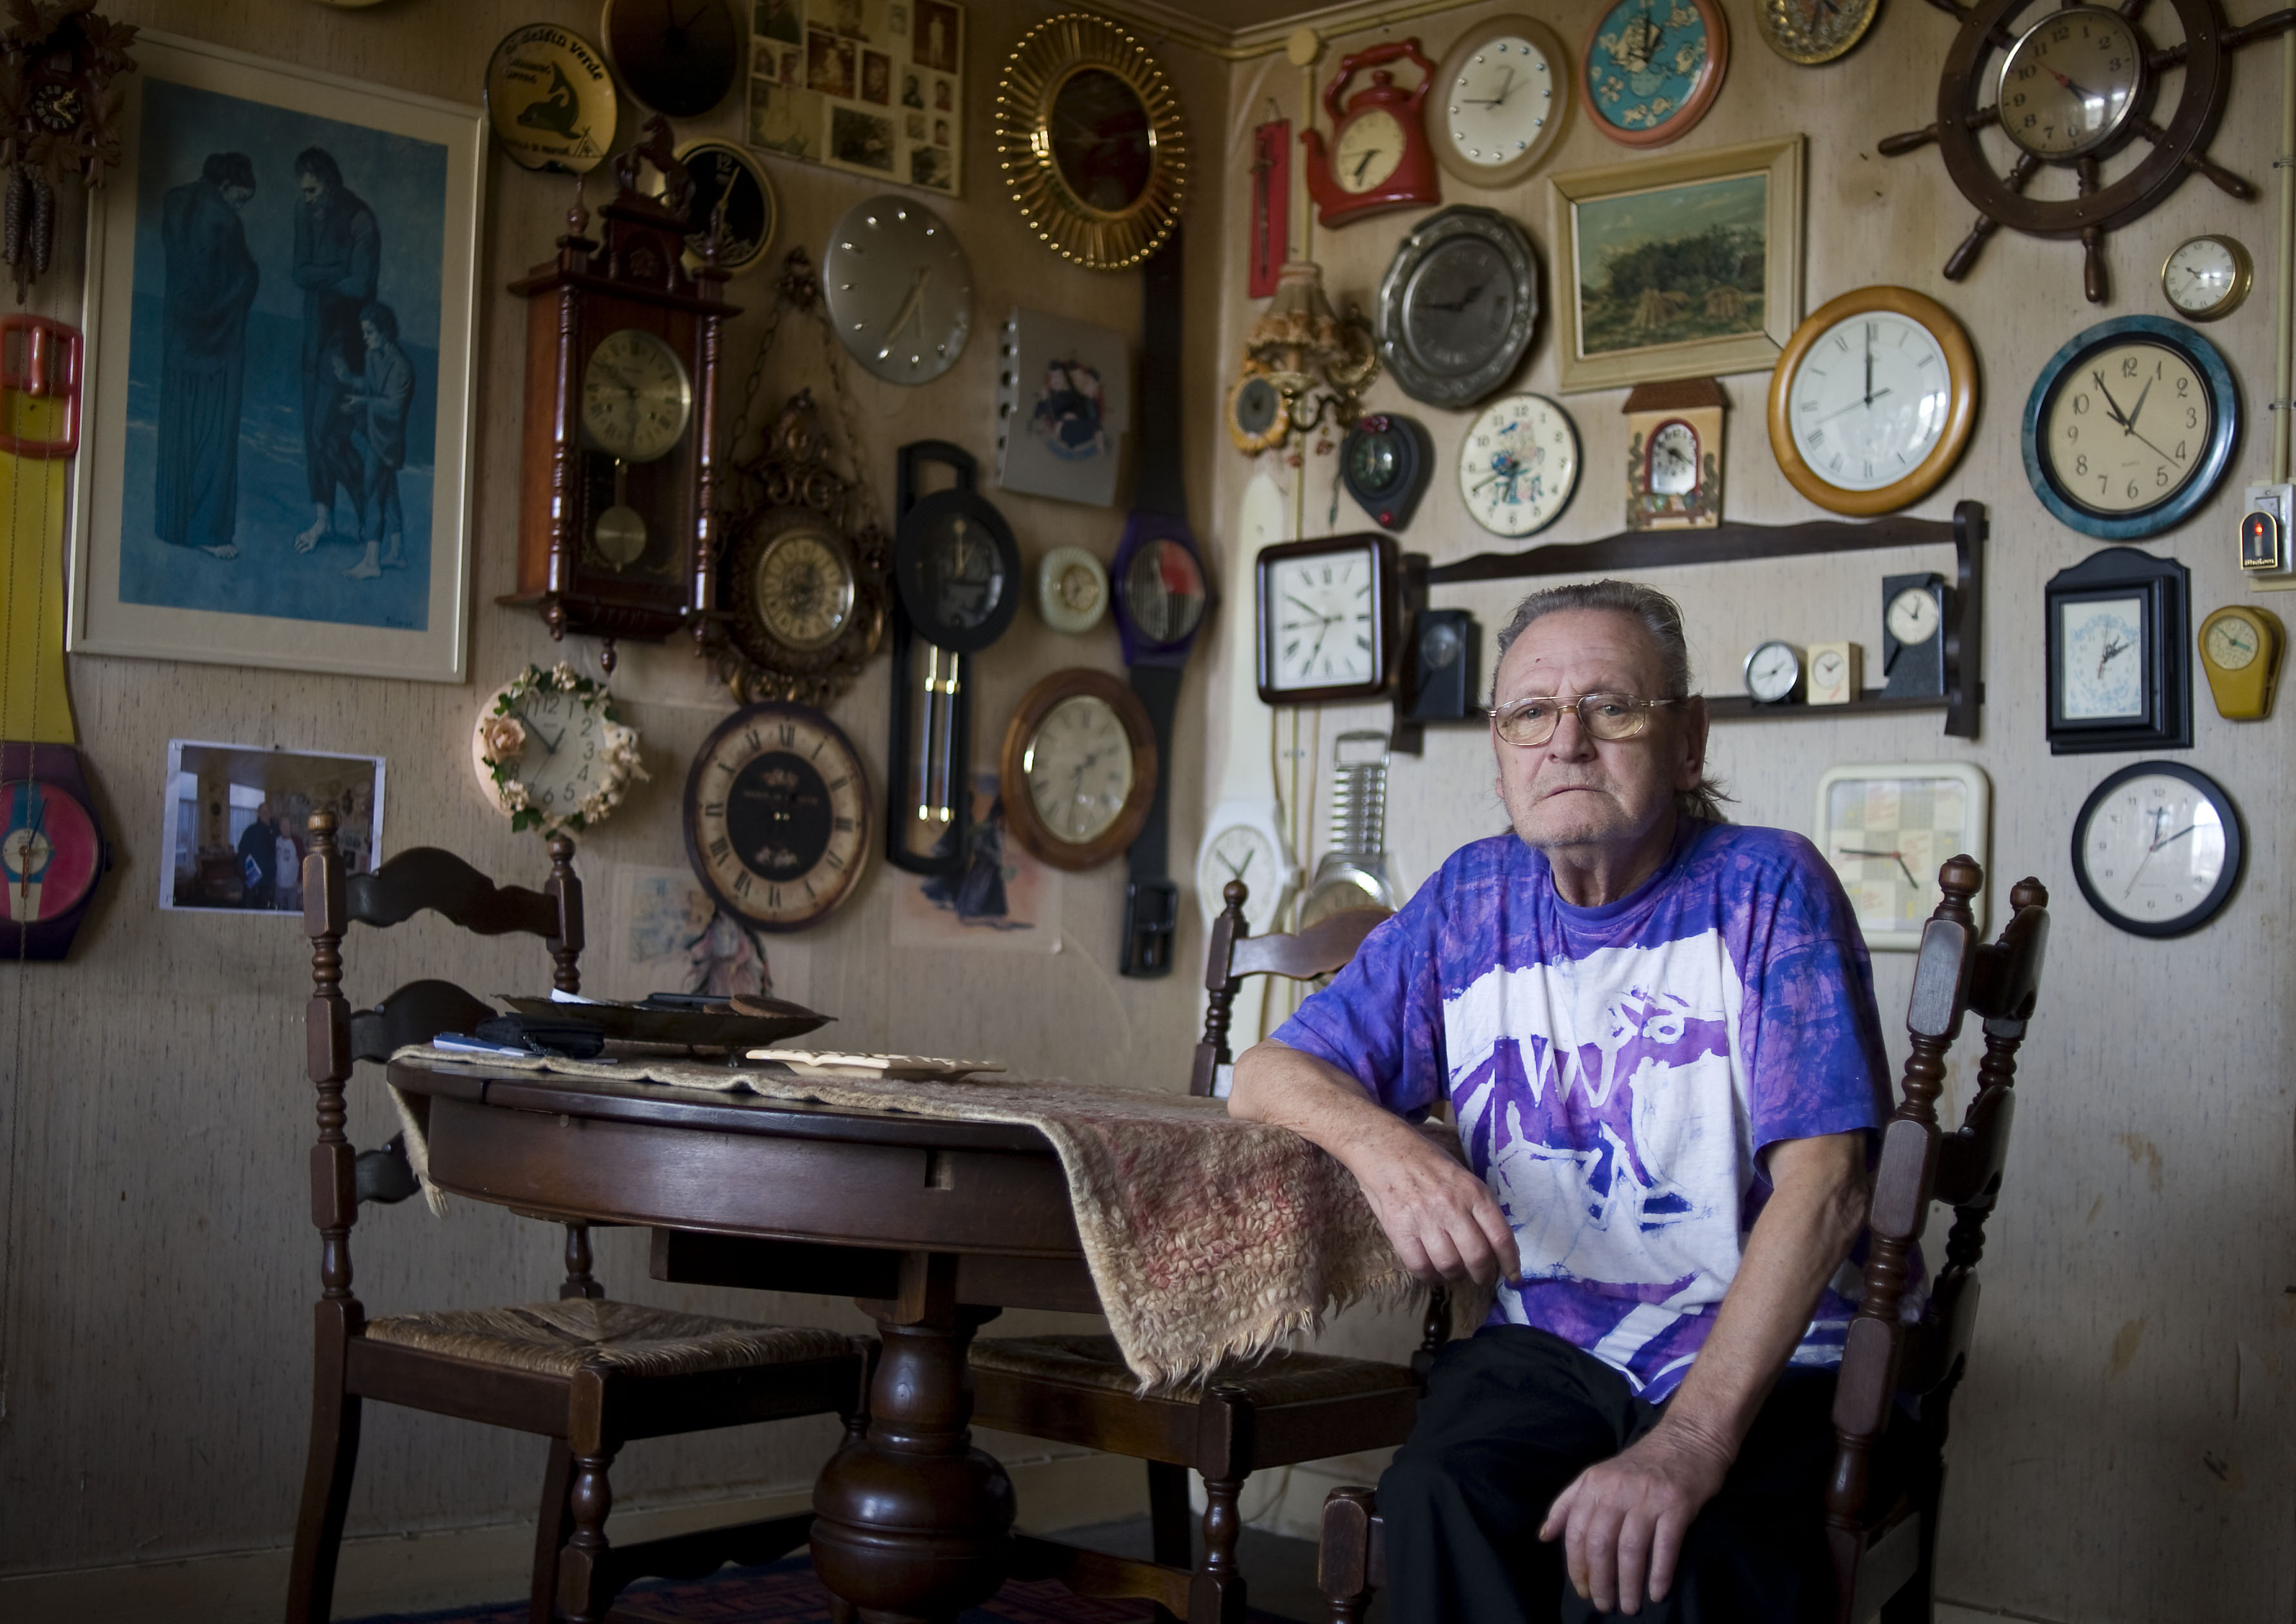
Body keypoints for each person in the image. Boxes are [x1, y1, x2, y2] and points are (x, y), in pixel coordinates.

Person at [1229, 580, 1893, 1624]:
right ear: (1499, 753)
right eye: (1530, 713)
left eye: (1610, 707)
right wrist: (1389, 1149)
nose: (1566, 742)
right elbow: (1264, 1073)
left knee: (1667, 1562)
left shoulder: (1767, 887)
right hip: (1549, 1342)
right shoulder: (1469, 899)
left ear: (1687, 741)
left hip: (1767, 1353)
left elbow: (1830, 1186)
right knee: (1440, 1495)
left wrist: (1688, 1442)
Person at [154, 152, 259, 559]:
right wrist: (249, 277)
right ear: (226, 185)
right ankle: (209, 533)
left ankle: (172, 525)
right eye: (240, 197)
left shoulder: (174, 201)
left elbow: (188, 274)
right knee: (216, 434)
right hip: (219, 341)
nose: (240, 206)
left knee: (178, 428)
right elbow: (238, 278)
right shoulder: (225, 221)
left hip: (178, 335)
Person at [290, 147, 379, 555]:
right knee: (314, 436)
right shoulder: (304, 212)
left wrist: (325, 279)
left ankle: (367, 511)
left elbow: (361, 286)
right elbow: (299, 273)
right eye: (304, 191)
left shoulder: (361, 218)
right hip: (313, 336)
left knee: (329, 436)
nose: (307, 198)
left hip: (347, 342)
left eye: (312, 190)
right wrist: (338, 273)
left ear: (329, 184)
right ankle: (324, 520)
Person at [334, 300, 416, 579]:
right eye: (364, 332)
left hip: (387, 441)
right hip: (373, 433)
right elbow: (370, 389)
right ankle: (397, 553)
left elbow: (394, 406)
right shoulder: (372, 357)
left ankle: (372, 561)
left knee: (372, 492)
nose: (365, 338)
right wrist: (348, 378)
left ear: (385, 332)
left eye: (370, 332)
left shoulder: (401, 366)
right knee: (389, 493)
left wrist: (363, 402)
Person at [236, 798, 279, 910]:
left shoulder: (277, 831)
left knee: (265, 911)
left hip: (269, 881)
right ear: (258, 814)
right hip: (252, 880)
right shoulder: (250, 831)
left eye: (267, 812)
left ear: (270, 813)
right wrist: (244, 872)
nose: (265, 814)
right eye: (263, 812)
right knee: (248, 910)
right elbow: (242, 852)